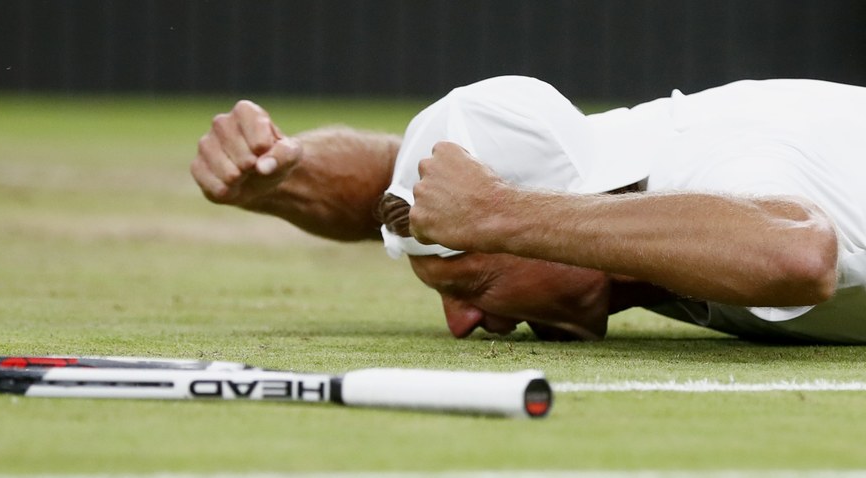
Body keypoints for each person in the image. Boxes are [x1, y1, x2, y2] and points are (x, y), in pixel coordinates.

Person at [190, 76, 866, 344]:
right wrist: (285, 175)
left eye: (472, 286)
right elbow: (396, 185)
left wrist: (500, 214)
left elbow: (798, 257)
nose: (461, 326)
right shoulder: (596, 163)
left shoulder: (716, 166)